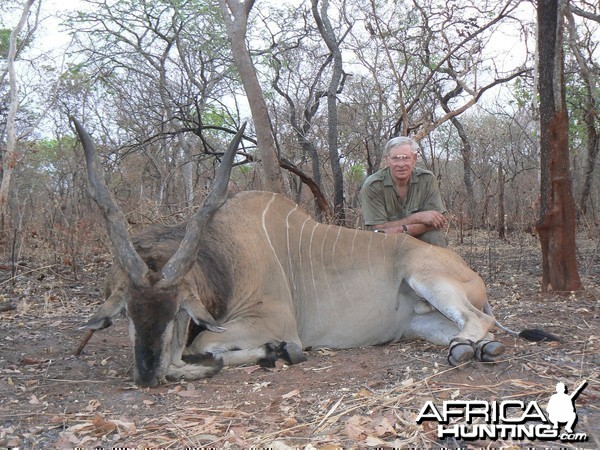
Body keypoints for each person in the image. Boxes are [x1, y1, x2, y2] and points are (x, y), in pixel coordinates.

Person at [359, 136, 448, 247]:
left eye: (406, 158)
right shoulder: (373, 185)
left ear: (414, 158)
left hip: (419, 235)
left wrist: (401, 229)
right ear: (387, 160)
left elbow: (436, 222)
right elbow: (378, 229)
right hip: (385, 240)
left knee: (435, 238)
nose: (401, 164)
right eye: (395, 158)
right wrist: (418, 218)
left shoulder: (427, 179)